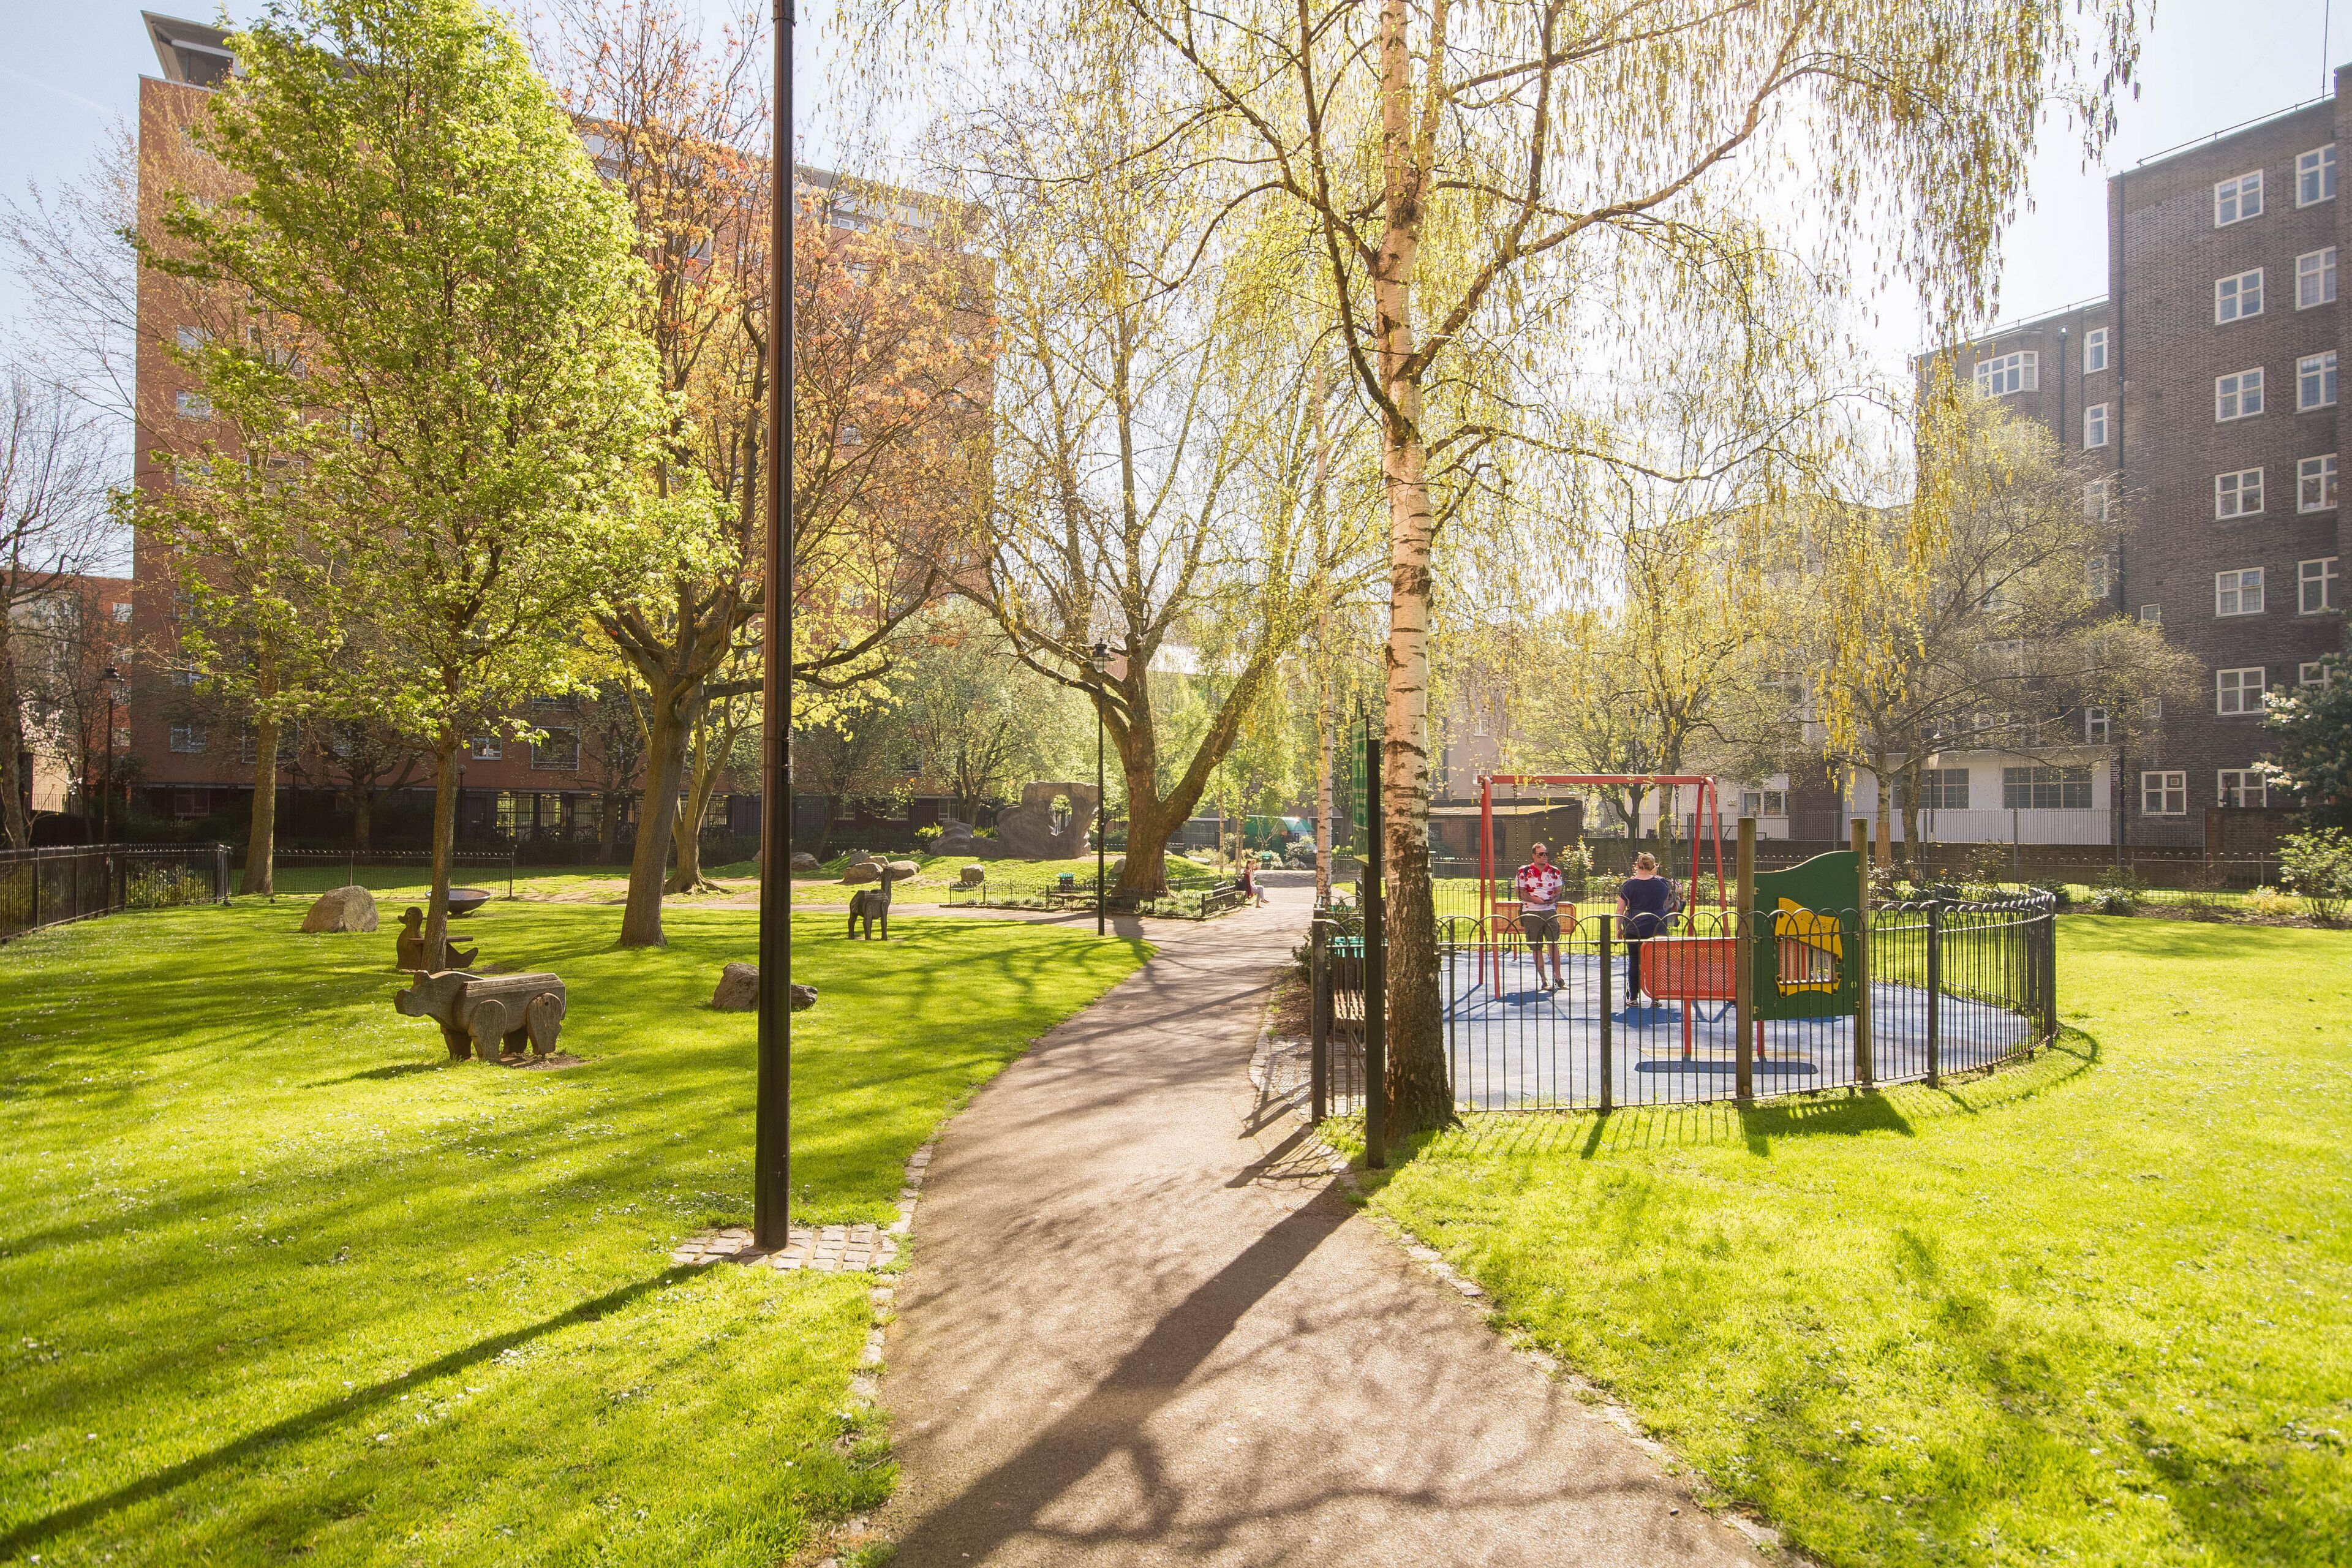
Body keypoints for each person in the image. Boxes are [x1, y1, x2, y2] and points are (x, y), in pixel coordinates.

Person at [1616, 851, 1676, 1005]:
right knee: (1656, 962)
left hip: (1635, 926)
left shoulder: (1629, 885)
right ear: (1653, 866)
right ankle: (1655, 996)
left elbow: (1620, 909)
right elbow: (1667, 900)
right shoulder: (1662, 884)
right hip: (1657, 926)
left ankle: (1633, 997)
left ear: (1637, 865)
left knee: (1634, 960)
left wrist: (1618, 928)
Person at [1513, 840, 1569, 990]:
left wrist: (1554, 899)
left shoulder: (1554, 872)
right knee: (1537, 946)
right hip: (1531, 911)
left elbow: (1558, 892)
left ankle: (1559, 977)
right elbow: (1520, 893)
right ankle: (1544, 980)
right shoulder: (1524, 872)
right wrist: (1535, 899)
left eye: (1546, 854)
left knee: (1553, 943)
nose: (1544, 856)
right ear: (1534, 856)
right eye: (1540, 854)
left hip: (1549, 911)